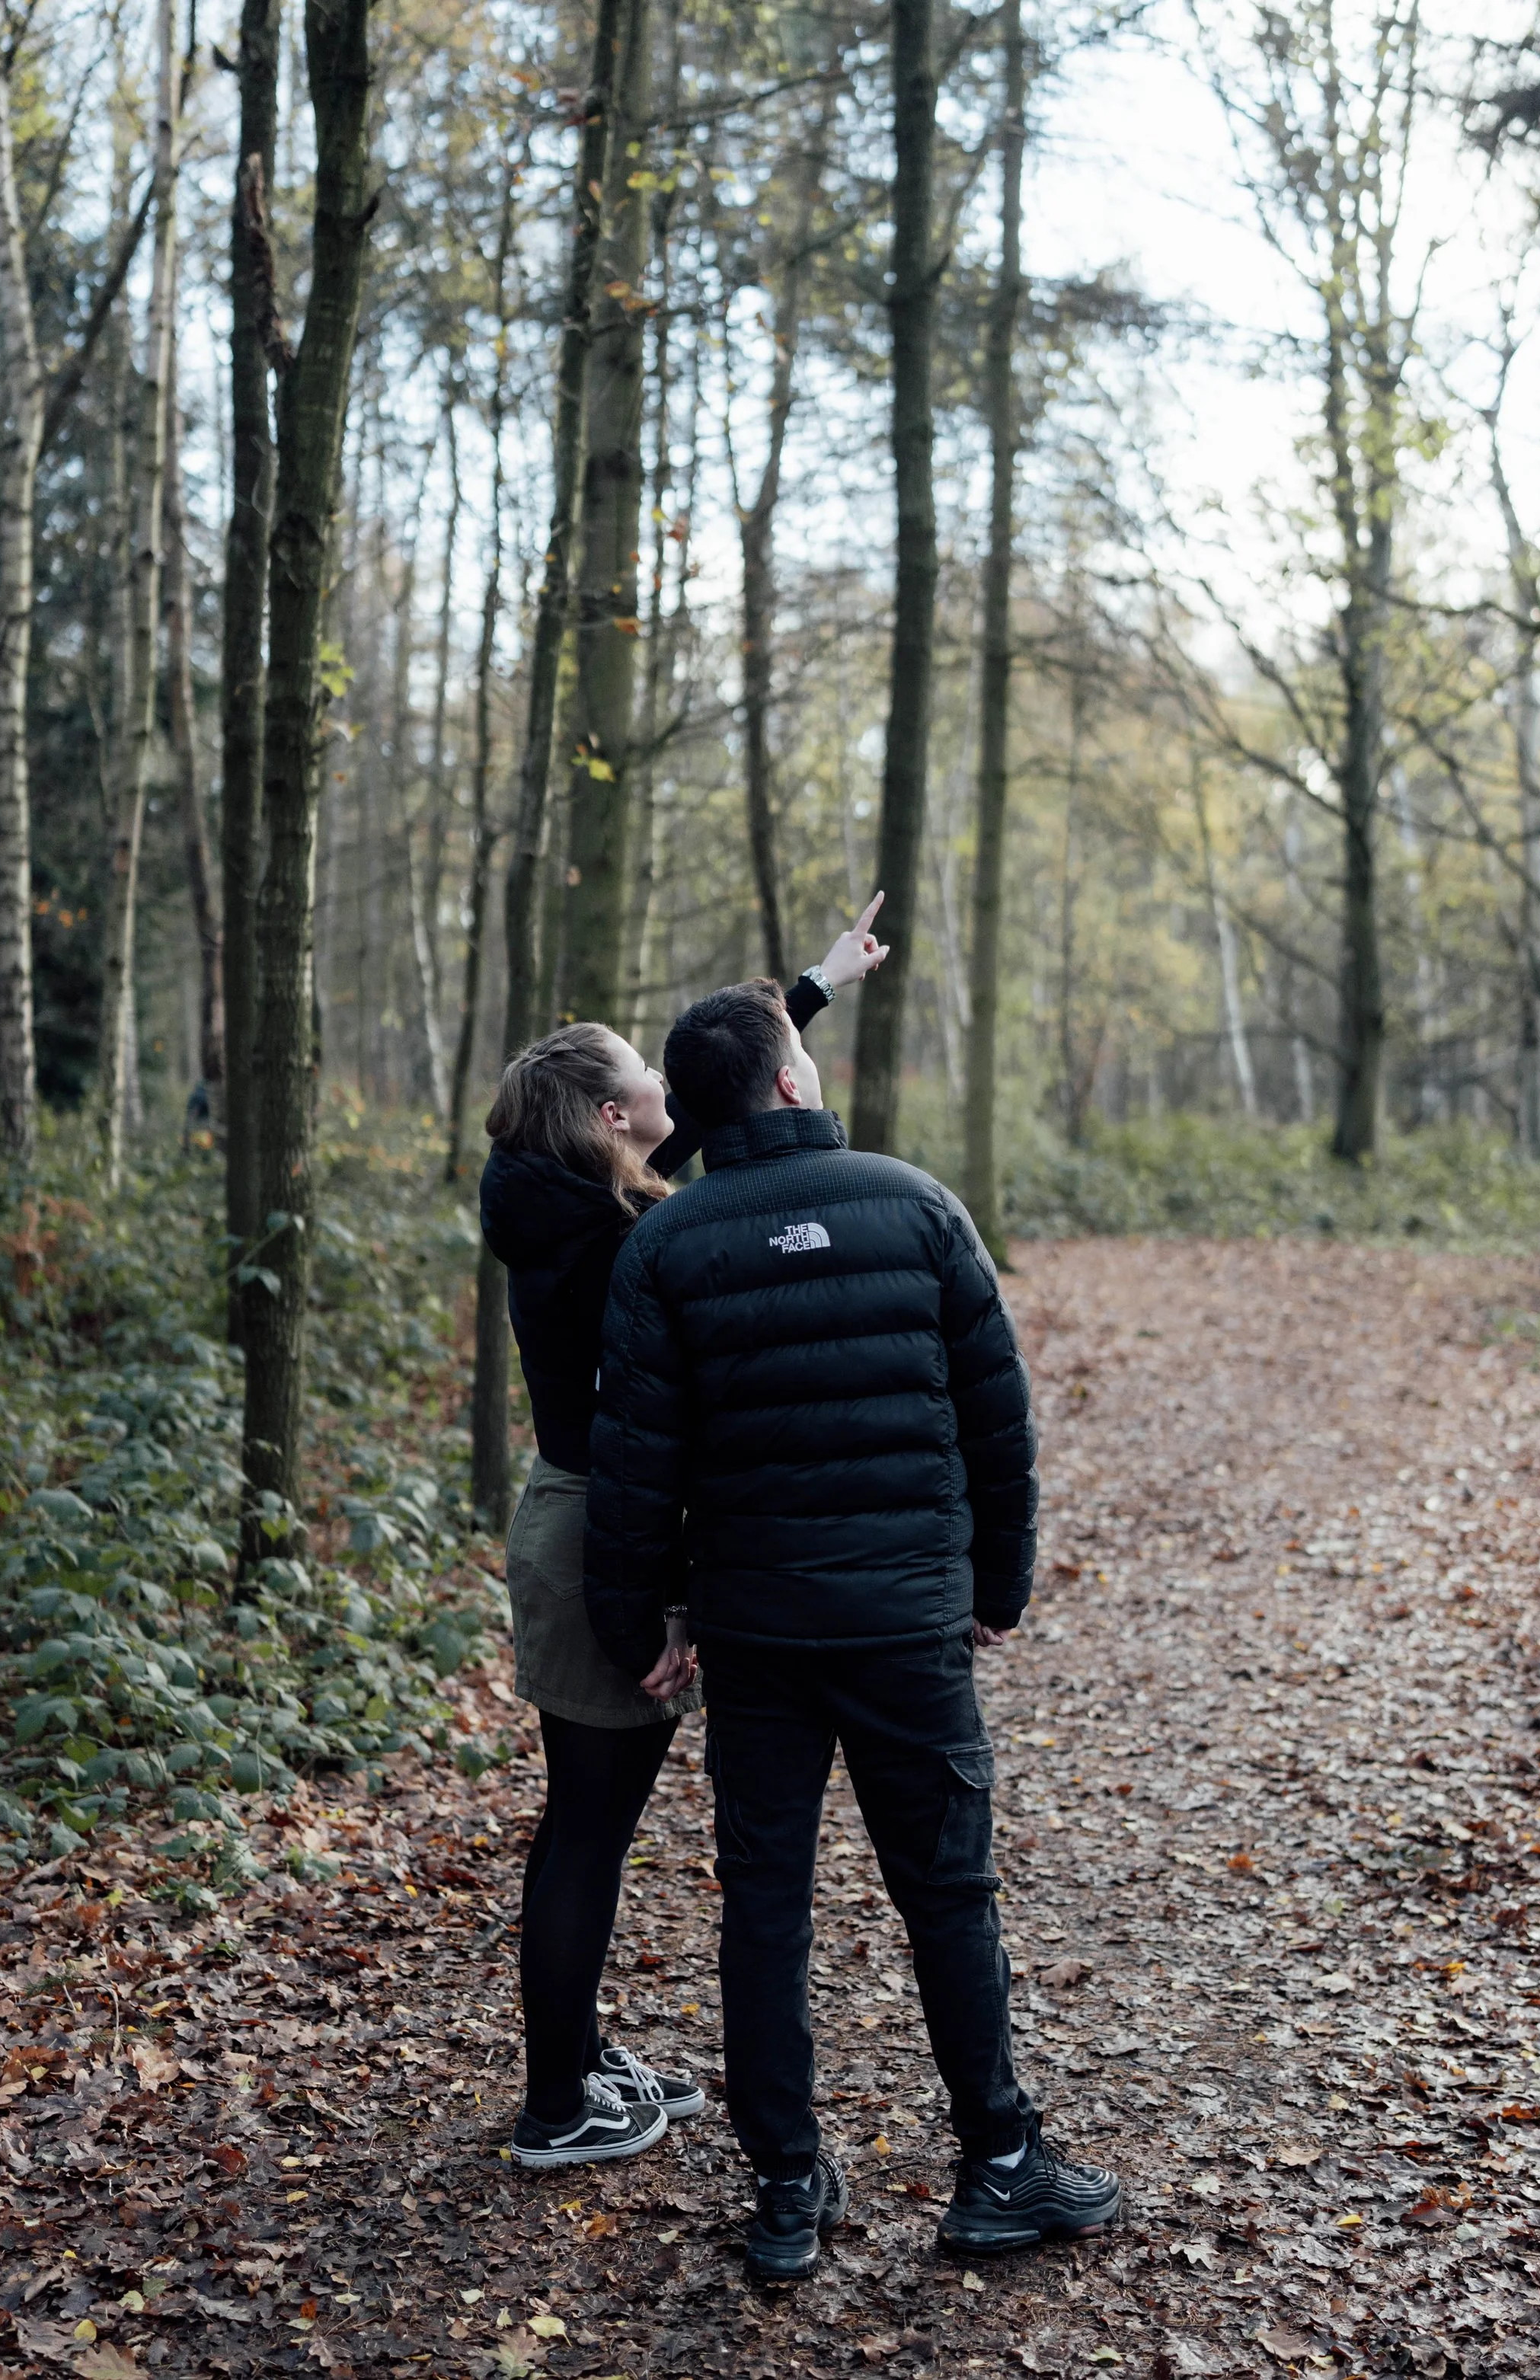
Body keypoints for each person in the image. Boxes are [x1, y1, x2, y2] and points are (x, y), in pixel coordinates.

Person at [583, 978, 1120, 2278]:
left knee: (764, 1907)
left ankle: (784, 2191)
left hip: (759, 1633)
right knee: (949, 1894)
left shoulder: (667, 1247)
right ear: (786, 1083)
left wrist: (630, 1622)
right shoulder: (918, 1205)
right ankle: (997, 2166)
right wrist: (1000, 1582)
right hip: (901, 1627)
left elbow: (636, 1464)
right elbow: (998, 1417)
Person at [478, 902, 891, 2171]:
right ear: (612, 1118)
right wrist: (649, 1594)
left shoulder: (572, 1207)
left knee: (587, 1819)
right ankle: (556, 2107)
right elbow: (725, 1121)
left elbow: (714, 1107)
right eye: (645, 1076)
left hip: (586, 1519)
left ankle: (573, 2060)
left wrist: (811, 988)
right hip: (597, 1531)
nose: (670, 1084)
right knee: (587, 1826)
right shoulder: (609, 1246)